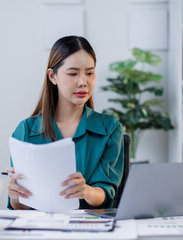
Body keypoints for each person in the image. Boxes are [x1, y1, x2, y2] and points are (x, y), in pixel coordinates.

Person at [7, 35, 124, 210]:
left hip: (89, 227)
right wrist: (16, 195)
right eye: (73, 73)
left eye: (90, 73)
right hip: (41, 229)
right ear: (52, 76)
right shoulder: (26, 130)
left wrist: (86, 192)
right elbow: (19, 207)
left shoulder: (109, 128)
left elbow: (106, 192)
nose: (83, 82)